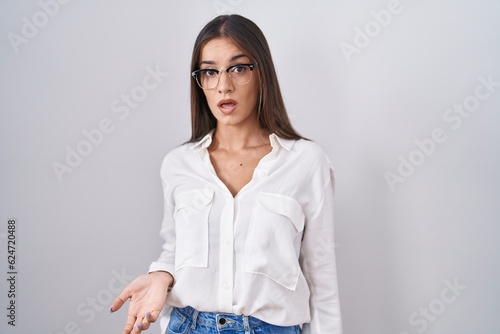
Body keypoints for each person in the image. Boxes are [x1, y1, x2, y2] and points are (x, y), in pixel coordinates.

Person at [110, 14, 342, 334]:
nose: (223, 85)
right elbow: (174, 250)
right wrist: (160, 275)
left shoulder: (306, 161)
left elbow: (323, 279)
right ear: (200, 80)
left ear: (262, 74)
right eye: (209, 71)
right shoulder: (178, 164)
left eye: (238, 68)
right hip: (186, 325)